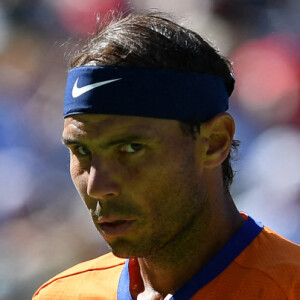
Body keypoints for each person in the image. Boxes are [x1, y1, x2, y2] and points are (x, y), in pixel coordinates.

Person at [32, 11, 300, 300]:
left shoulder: (289, 287)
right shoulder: (61, 295)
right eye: (81, 151)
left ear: (214, 142)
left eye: (131, 148)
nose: (98, 186)